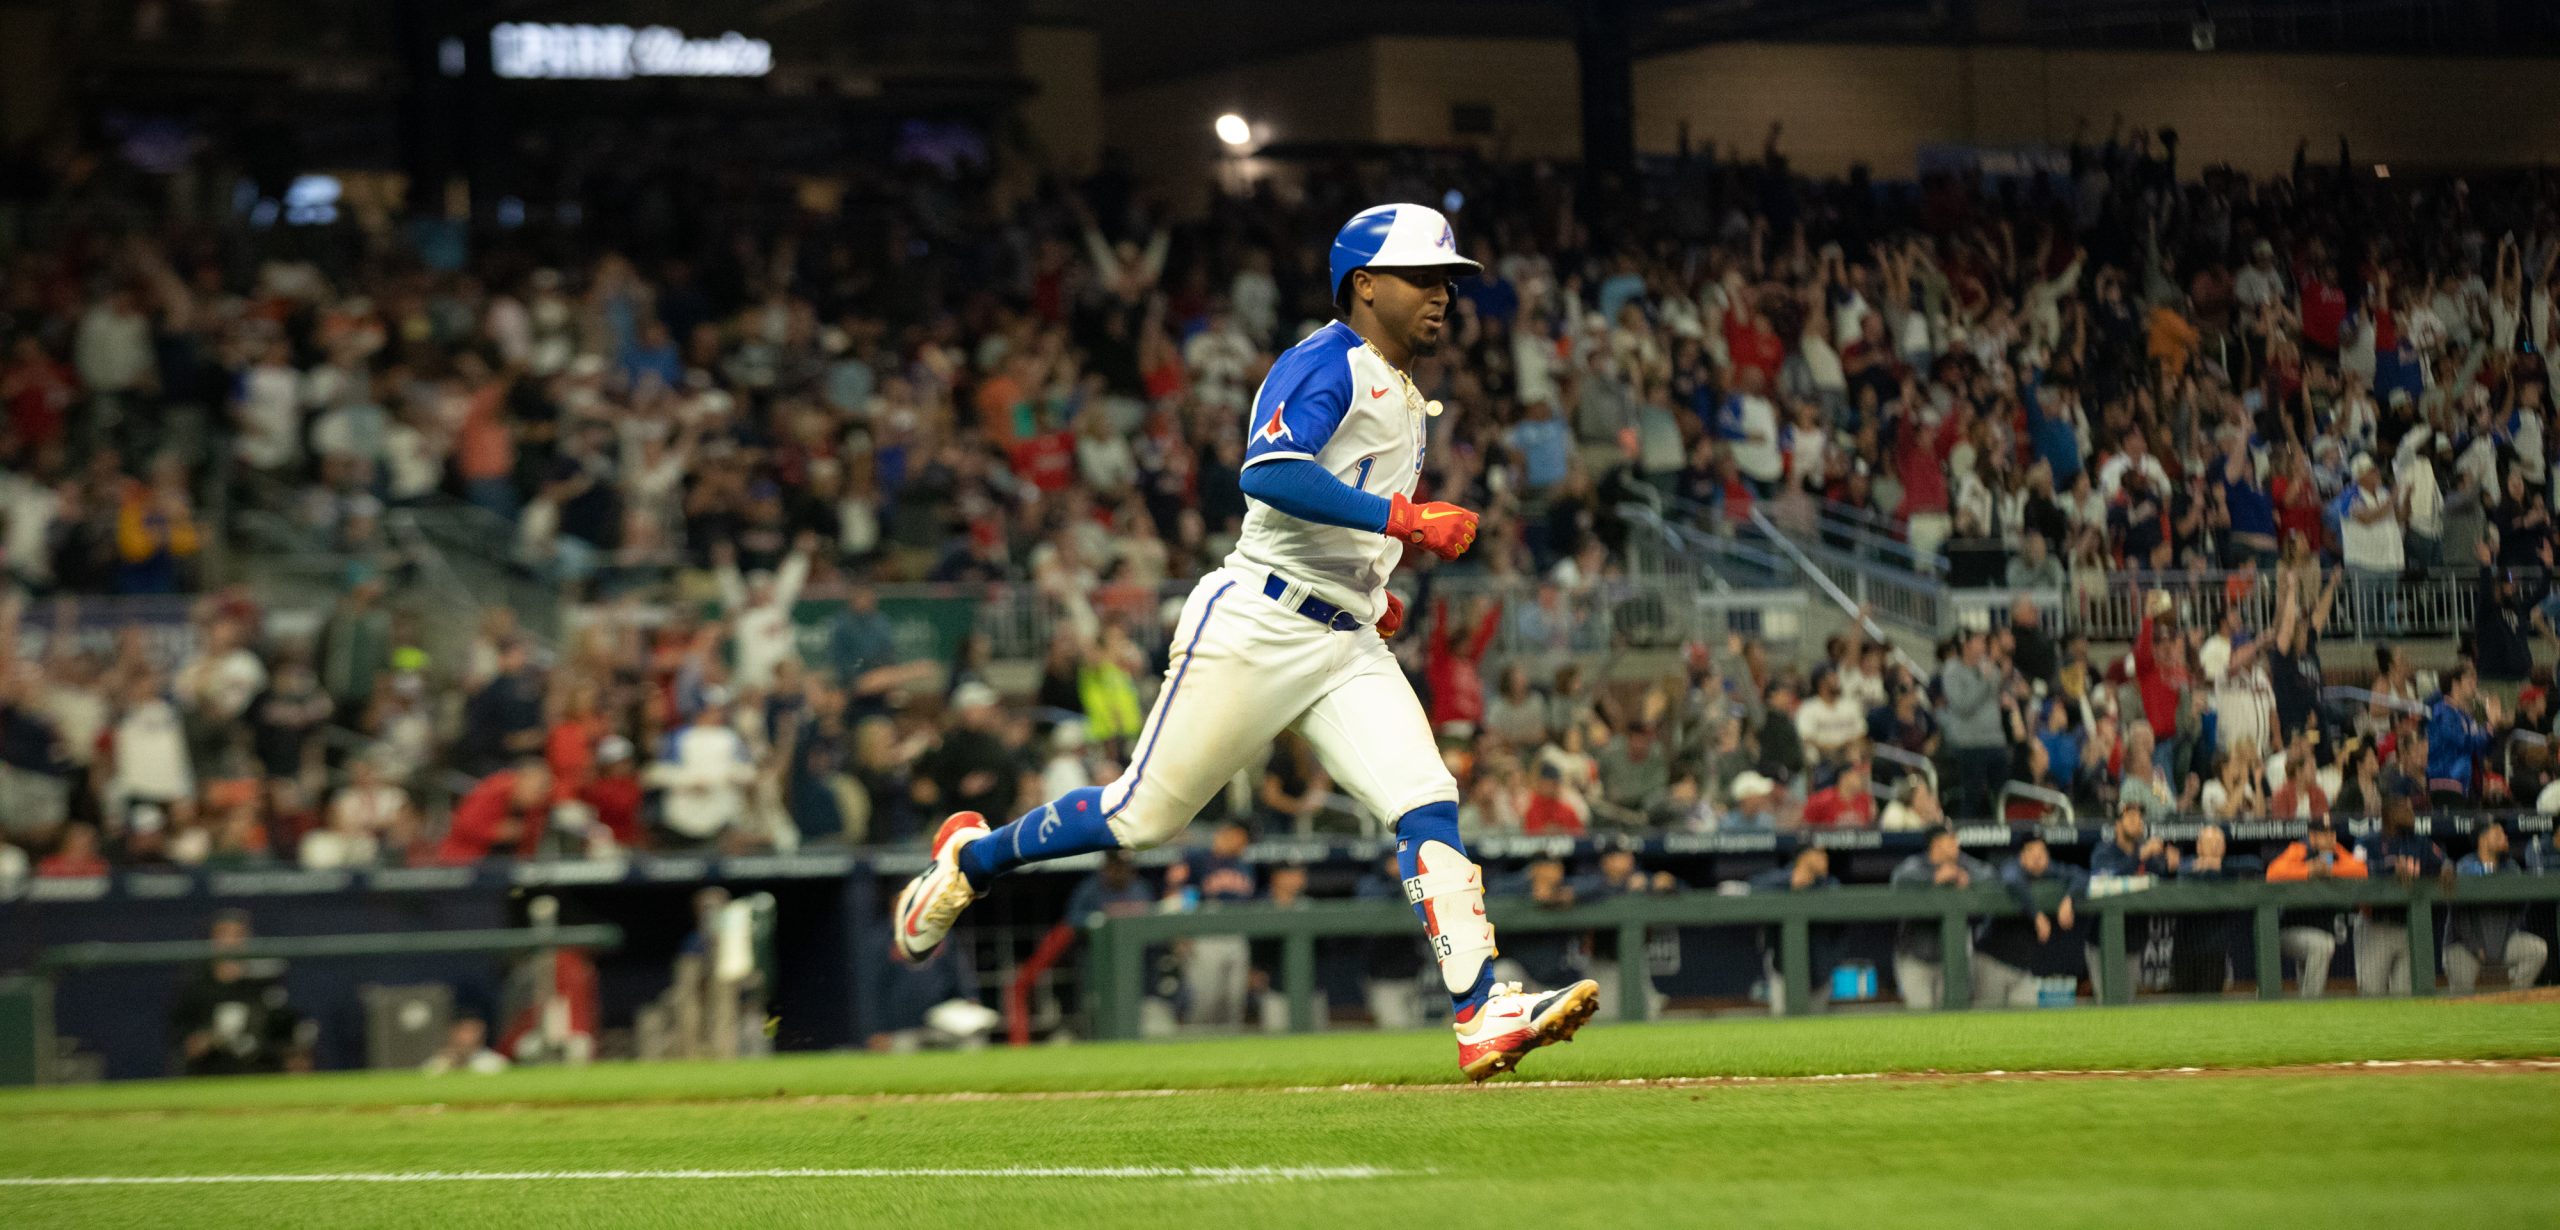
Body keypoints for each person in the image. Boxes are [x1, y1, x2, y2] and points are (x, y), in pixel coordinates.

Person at [887, 203, 1598, 1081]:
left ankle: (1481, 1010)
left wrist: (1372, 590)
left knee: (1425, 798)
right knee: (1141, 816)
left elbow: (1334, 509)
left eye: (1448, 280)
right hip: (1258, 621)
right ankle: (971, 858)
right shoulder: (1325, 360)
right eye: (1423, 277)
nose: (1442, 294)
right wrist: (1403, 520)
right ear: (1363, 284)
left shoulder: (1403, 388)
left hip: (1343, 639)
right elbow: (1268, 469)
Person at [168, 911, 309, 1076]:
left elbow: (283, 1028)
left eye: (238, 934)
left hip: (257, 1066)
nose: (230, 941)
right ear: (212, 939)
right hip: (209, 1068)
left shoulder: (264, 978)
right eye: (223, 934)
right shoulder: (195, 981)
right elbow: (180, 1033)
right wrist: (199, 1040)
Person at [1887, 827, 1997, 1011]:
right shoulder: (1917, 865)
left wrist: (1966, 877)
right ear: (1936, 844)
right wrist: (1934, 878)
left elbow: (1991, 875)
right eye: (1951, 840)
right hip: (1916, 960)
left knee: (1951, 1020)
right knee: (1920, 1019)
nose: (1957, 844)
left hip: (1951, 962)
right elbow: (1899, 878)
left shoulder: (1963, 864)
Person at [1976, 836, 2088, 1008]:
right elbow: (2012, 880)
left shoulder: (2049, 870)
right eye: (2032, 852)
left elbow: (2081, 876)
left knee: (2028, 1017)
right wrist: (2036, 916)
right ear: (2021, 856)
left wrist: (2069, 900)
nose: (2038, 858)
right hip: (1993, 961)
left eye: (2042, 852)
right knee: (1986, 1022)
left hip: (2023, 968)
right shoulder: (2012, 868)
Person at [2264, 817, 2369, 998]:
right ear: (2312, 836)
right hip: (2291, 930)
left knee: (2318, 948)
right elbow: (2273, 873)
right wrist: (2308, 870)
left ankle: (2304, 1008)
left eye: (2332, 832)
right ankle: (2310, 1004)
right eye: (2323, 833)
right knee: (2322, 945)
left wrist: (2330, 870)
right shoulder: (2299, 850)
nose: (2329, 837)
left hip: (2319, 930)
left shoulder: (2338, 853)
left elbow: (2361, 870)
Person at [2351, 798, 2444, 996]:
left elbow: (2442, 862)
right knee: (2371, 993)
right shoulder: (2367, 841)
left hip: (2408, 927)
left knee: (2406, 995)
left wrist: (2448, 869)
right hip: (2375, 925)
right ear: (2389, 814)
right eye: (2405, 809)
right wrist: (2390, 867)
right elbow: (2355, 871)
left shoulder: (2419, 841)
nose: (2411, 813)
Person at [2446, 822, 2548, 995]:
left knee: (2537, 950)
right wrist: (2475, 946)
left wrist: (2501, 940)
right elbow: (2459, 916)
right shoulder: (2464, 867)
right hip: (2464, 946)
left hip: (2503, 941)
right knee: (2462, 998)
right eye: (2499, 833)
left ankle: (2514, 999)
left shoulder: (2512, 868)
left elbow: (2520, 908)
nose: (2505, 837)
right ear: (2483, 839)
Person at [1746, 847, 1838, 1015]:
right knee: (1782, 1019)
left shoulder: (1829, 883)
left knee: (1818, 1025)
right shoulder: (1780, 878)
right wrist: (1789, 881)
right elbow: (1753, 885)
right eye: (1818, 853)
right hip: (1781, 964)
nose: (1824, 858)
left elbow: (1836, 895)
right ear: (1804, 856)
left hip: (1820, 966)